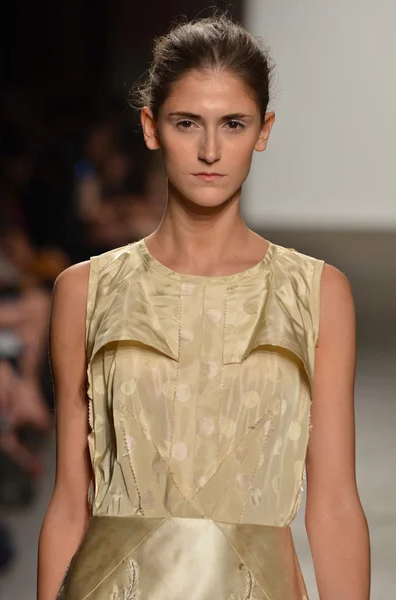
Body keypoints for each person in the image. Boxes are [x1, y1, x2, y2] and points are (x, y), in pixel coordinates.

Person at [37, 14, 371, 600]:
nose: (211, 149)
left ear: (263, 131)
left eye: (233, 124)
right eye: (187, 123)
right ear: (150, 127)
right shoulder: (85, 290)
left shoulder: (316, 293)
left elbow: (336, 504)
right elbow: (70, 502)